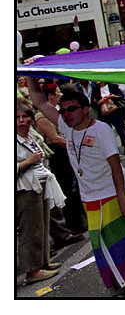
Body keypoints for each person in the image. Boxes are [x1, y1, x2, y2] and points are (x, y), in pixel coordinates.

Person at [25, 78, 125, 296]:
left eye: (71, 109)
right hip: (90, 197)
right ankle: (123, 277)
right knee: (103, 242)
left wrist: (122, 198)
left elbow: (115, 165)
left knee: (122, 238)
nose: (65, 114)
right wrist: (27, 73)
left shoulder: (101, 130)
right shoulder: (67, 126)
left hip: (112, 194)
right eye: (62, 110)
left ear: (85, 110)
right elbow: (38, 100)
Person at [16, 101, 66, 285]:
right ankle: (32, 270)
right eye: (17, 118)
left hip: (39, 184)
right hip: (24, 188)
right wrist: (28, 161)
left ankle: (43, 262)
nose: (22, 121)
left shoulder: (30, 135)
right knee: (30, 229)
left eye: (25, 116)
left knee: (42, 224)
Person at [33, 83, 87, 236]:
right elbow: (55, 139)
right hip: (58, 155)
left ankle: (82, 220)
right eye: (57, 92)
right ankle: (74, 224)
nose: (60, 94)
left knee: (76, 186)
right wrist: (75, 142)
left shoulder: (58, 111)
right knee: (68, 189)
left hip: (67, 151)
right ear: (50, 95)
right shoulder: (41, 116)